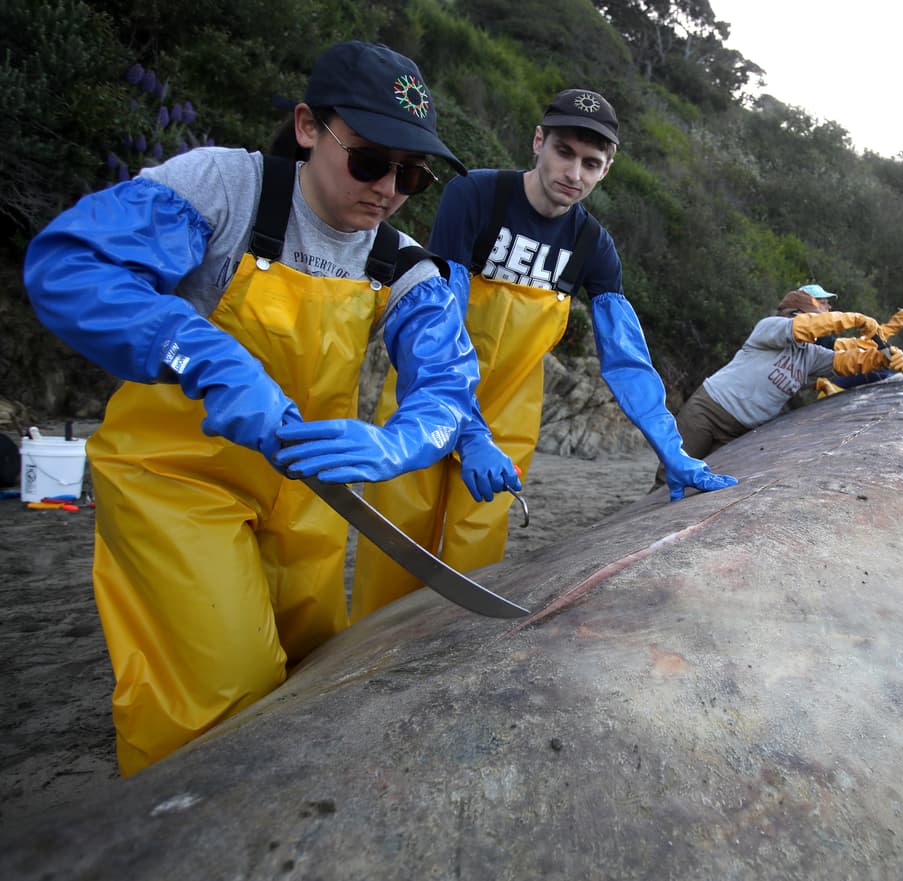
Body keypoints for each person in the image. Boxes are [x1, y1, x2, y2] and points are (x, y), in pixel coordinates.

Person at [23, 41, 480, 774]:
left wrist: (401, 441)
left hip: (306, 491)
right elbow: (72, 265)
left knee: (313, 674)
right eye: (369, 161)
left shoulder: (400, 262)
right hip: (177, 480)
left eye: (412, 175)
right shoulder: (221, 189)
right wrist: (198, 352)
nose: (388, 190)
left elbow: (448, 385)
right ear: (307, 127)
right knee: (219, 694)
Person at [351, 88, 737, 620]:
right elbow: (440, 322)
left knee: (474, 556)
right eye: (564, 152)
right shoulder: (476, 195)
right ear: (538, 141)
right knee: (396, 542)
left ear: (606, 170)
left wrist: (672, 451)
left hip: (511, 415)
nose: (573, 173)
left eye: (591, 163)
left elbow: (626, 360)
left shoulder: (594, 247)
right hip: (425, 395)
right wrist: (467, 432)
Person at [657, 289, 903, 478]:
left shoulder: (811, 355)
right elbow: (806, 327)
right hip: (708, 412)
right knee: (670, 477)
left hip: (740, 432)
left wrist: (883, 358)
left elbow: (849, 361)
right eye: (816, 316)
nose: (822, 326)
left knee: (703, 485)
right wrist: (856, 319)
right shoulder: (770, 328)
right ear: (797, 315)